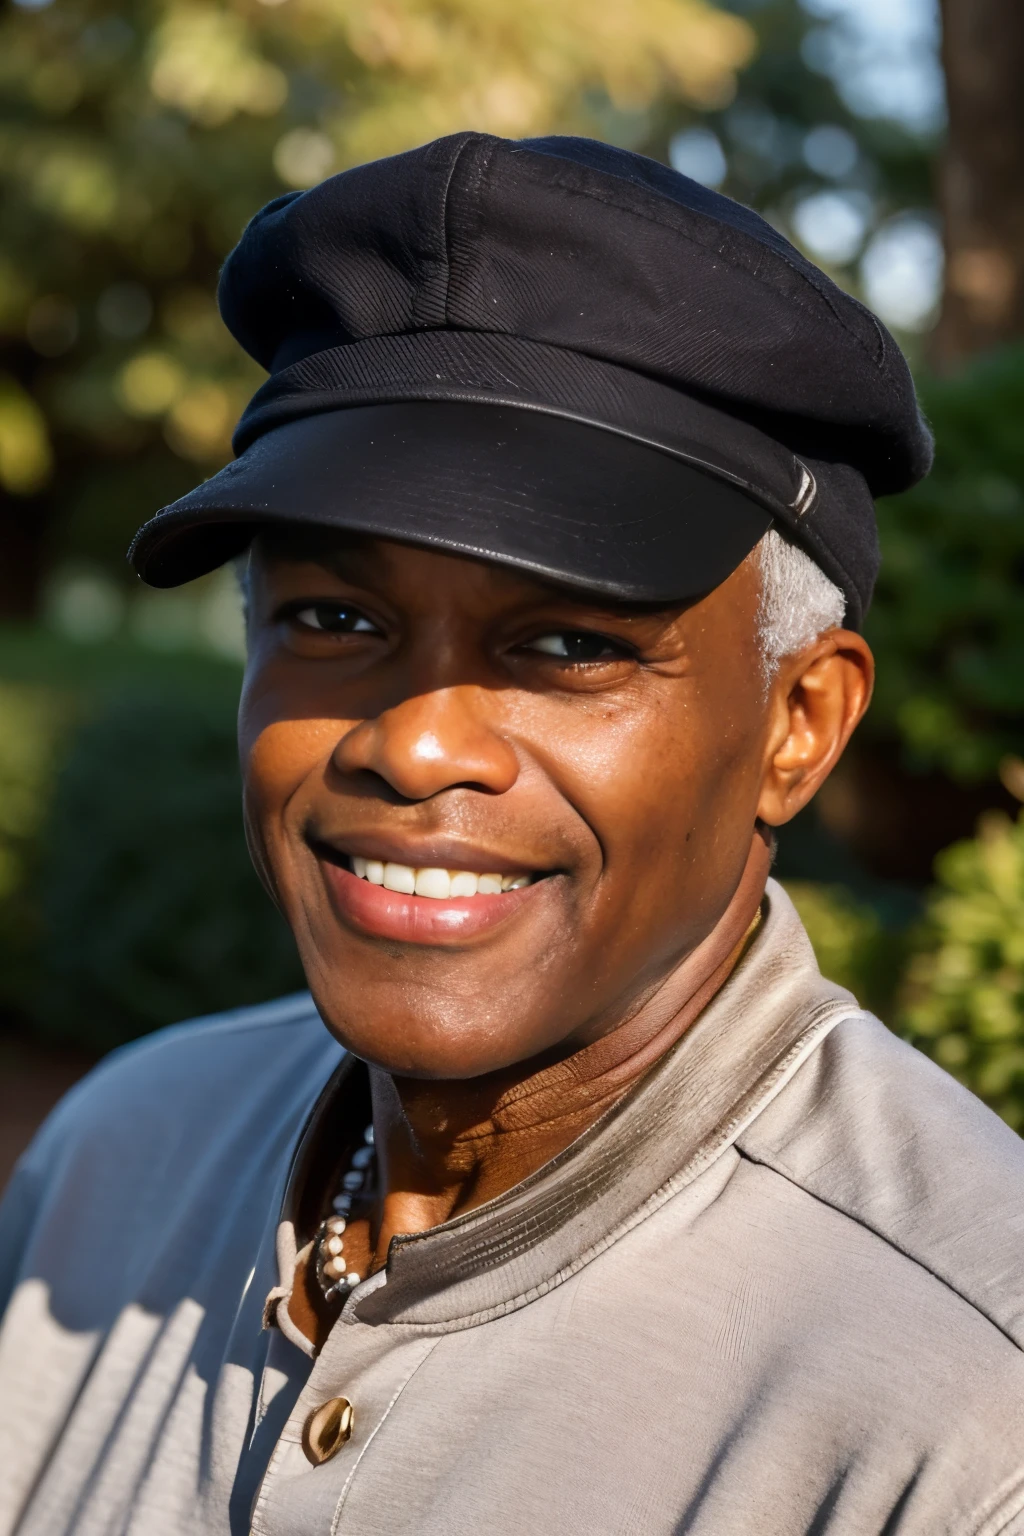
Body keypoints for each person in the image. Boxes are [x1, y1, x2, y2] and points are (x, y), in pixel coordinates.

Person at [2, 132, 1024, 1536]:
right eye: (334, 620)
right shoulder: (119, 1154)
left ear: (799, 725)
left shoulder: (968, 1411)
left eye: (565, 642)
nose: (415, 743)